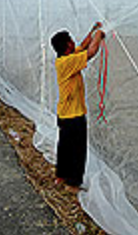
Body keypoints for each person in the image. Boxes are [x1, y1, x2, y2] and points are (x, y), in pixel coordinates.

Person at [51, 22, 106, 193]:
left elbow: (83, 46)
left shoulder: (65, 58)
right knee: (77, 150)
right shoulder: (66, 63)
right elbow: (90, 52)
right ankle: (73, 183)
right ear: (67, 46)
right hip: (74, 116)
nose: (74, 42)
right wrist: (99, 35)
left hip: (65, 114)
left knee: (64, 147)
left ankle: (61, 175)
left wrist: (93, 30)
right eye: (70, 40)